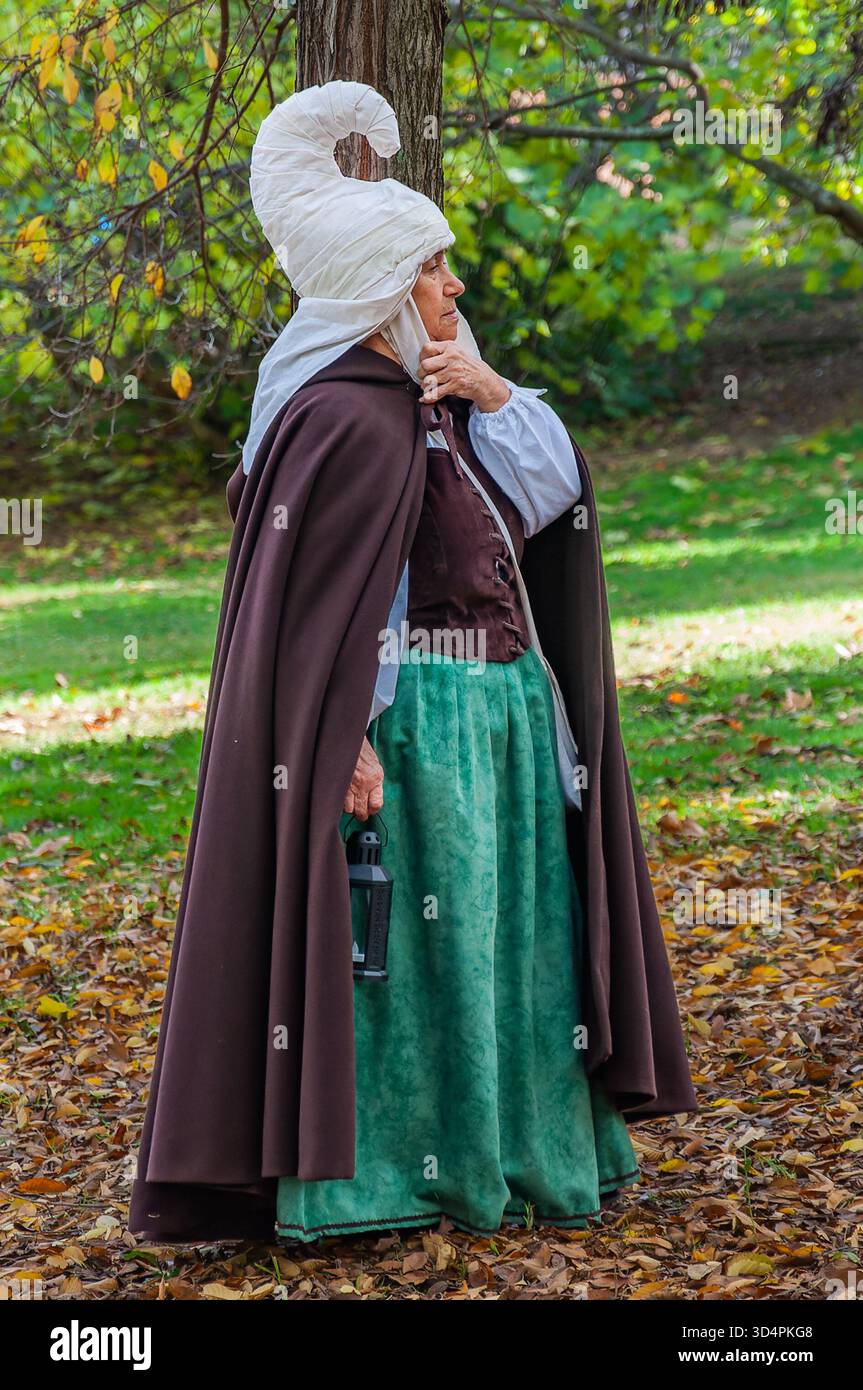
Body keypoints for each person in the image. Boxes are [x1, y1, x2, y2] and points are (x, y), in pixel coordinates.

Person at [128, 81, 697, 1246]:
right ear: (385, 290)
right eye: (433, 272)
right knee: (408, 964)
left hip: (501, 723)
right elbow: (311, 624)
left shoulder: (435, 400)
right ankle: (381, 1177)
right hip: (416, 729)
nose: (451, 290)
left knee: (507, 953)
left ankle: (517, 1151)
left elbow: (550, 509)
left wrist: (487, 391)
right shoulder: (340, 416)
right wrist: (345, 736)